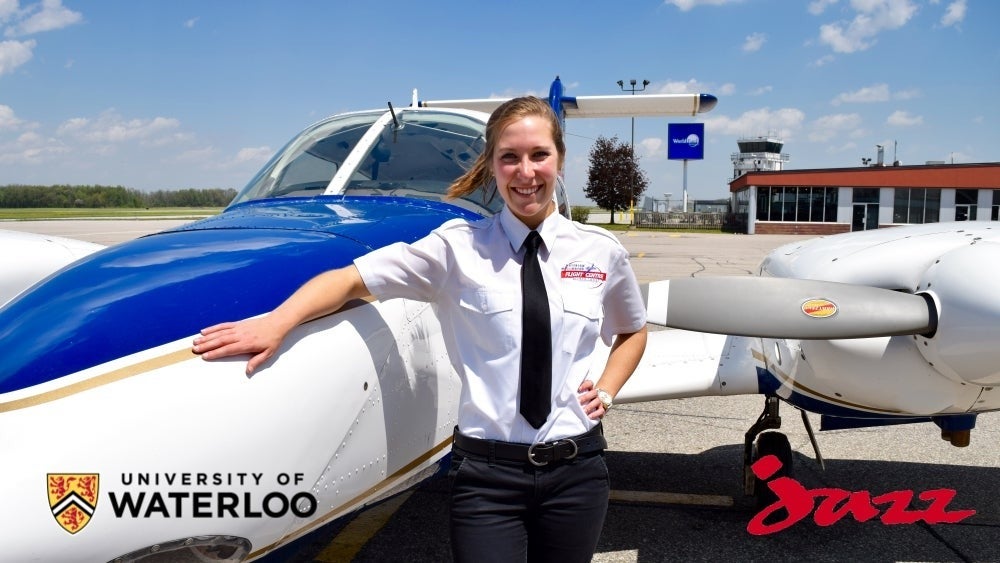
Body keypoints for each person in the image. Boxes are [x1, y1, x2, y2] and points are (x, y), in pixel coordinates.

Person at [192, 96, 647, 562]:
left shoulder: (600, 251)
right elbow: (350, 279)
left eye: (539, 155)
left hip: (577, 470)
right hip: (489, 477)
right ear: (492, 165)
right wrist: (277, 321)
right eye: (509, 157)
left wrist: (607, 391)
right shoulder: (456, 248)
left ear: (559, 161)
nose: (525, 172)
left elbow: (633, 331)